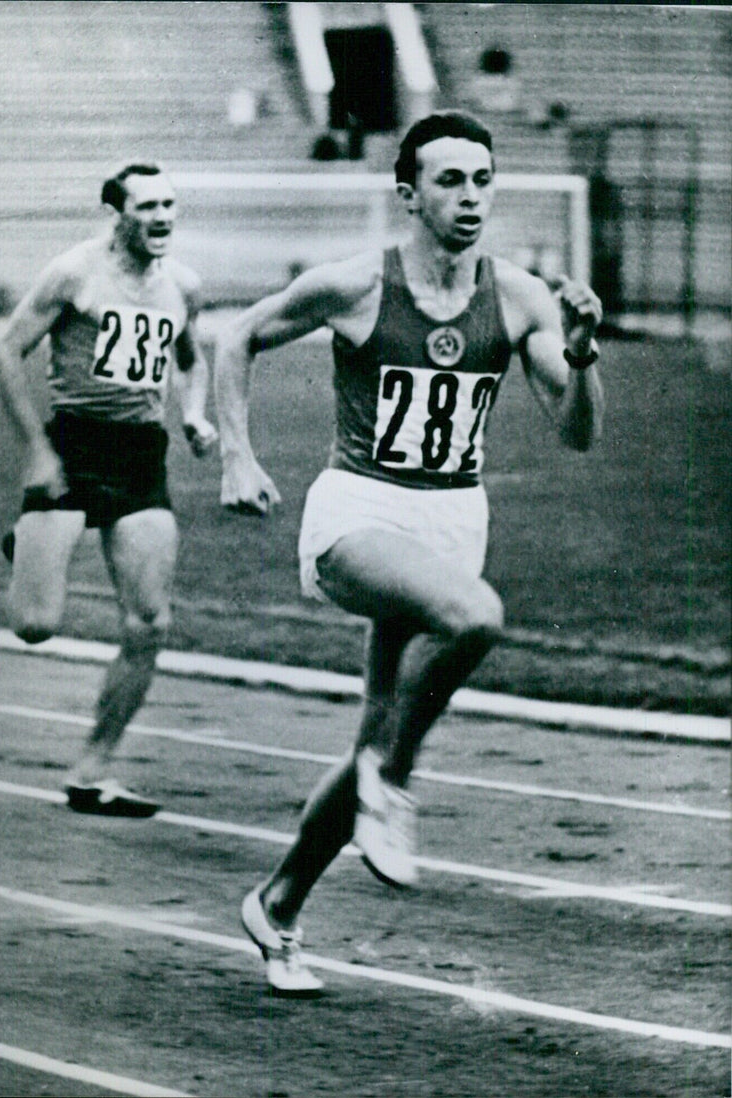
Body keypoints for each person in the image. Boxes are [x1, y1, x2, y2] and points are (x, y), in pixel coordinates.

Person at [214, 111, 604, 995]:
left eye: (482, 180)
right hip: (358, 513)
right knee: (477, 618)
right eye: (449, 181)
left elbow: (576, 432)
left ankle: (277, 908)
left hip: (453, 522)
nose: (470, 198)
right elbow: (235, 337)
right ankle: (395, 783)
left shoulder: (520, 297)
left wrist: (582, 358)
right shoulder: (356, 285)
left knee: (371, 732)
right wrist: (238, 451)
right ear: (408, 194)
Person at [0, 163, 218, 818]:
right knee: (35, 626)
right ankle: (26, 541)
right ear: (117, 213)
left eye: (170, 204)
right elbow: (4, 354)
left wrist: (194, 414)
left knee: (150, 623)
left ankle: (92, 771)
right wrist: (36, 452)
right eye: (147, 206)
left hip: (141, 456)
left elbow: (190, 358)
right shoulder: (75, 272)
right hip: (72, 448)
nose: (163, 217)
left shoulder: (184, 285)